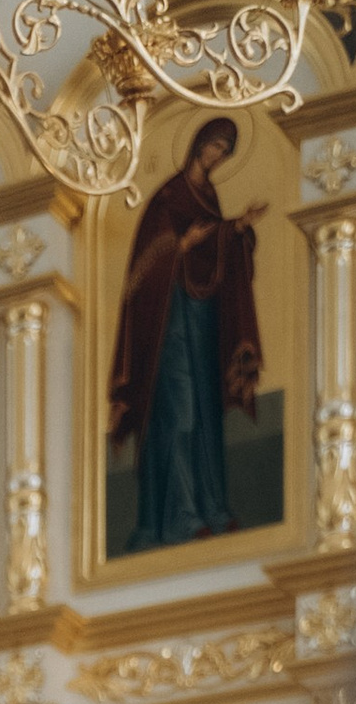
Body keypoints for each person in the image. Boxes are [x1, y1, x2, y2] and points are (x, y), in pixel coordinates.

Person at [109, 118, 267, 554]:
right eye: (214, 146)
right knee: (180, 415)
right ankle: (180, 517)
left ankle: (212, 508)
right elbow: (141, 270)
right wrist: (182, 244)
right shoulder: (167, 197)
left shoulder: (209, 197)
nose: (216, 156)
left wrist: (236, 230)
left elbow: (212, 251)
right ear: (198, 143)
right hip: (168, 323)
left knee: (206, 414)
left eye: (224, 152)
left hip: (201, 319)